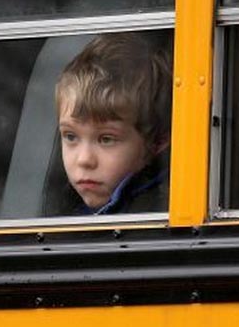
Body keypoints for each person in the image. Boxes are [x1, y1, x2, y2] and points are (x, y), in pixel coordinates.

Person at [55, 32, 172, 215]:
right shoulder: (57, 207)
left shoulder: (156, 215)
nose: (84, 159)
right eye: (70, 136)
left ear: (156, 142)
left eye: (106, 139)